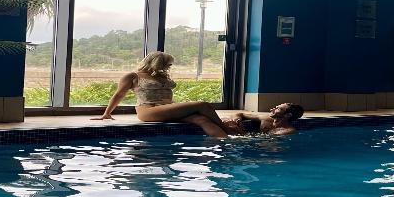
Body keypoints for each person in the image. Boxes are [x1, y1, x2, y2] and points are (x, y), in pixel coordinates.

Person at [91, 51, 231, 138]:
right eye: (168, 64)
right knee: (202, 105)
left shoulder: (162, 76)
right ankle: (227, 129)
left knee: (202, 120)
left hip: (166, 108)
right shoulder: (133, 76)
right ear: (157, 63)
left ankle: (225, 143)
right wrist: (107, 113)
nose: (169, 67)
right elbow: (118, 95)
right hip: (148, 110)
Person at [223, 103, 304, 136]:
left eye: (278, 109)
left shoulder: (287, 131)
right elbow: (240, 114)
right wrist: (236, 120)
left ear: (287, 115)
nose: (272, 109)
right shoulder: (267, 118)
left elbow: (265, 142)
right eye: (276, 107)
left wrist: (239, 131)